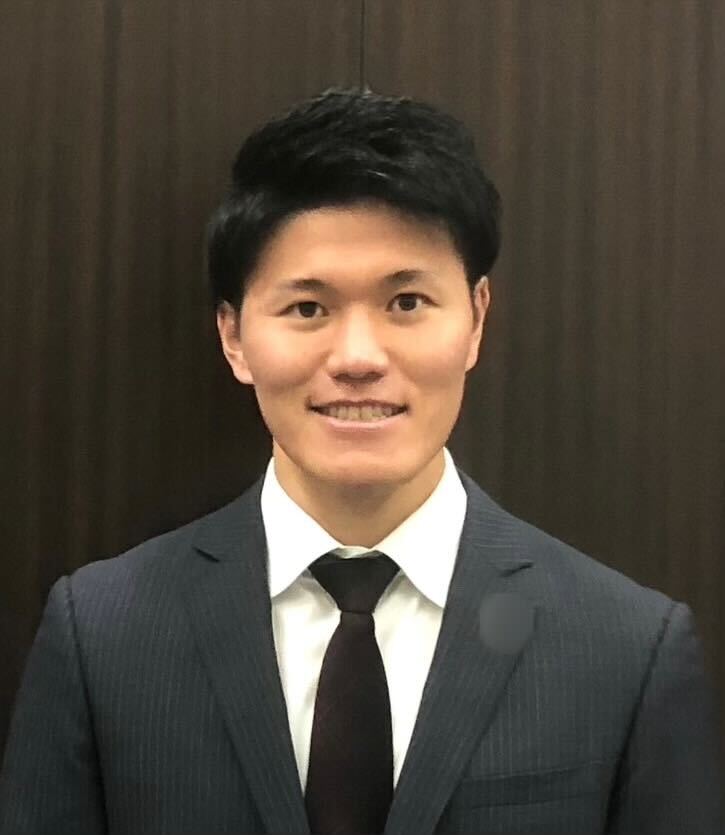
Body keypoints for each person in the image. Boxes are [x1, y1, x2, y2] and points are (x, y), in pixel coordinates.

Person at [0, 87, 722, 835]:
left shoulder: (627, 647)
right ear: (233, 337)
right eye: (307, 308)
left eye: (406, 302)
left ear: (475, 319)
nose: (357, 358)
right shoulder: (102, 635)